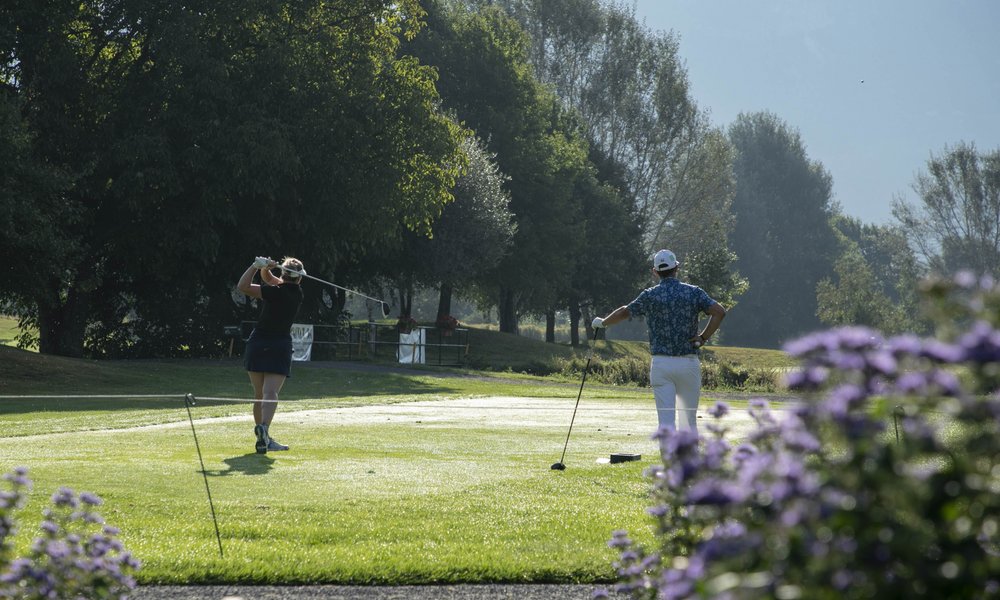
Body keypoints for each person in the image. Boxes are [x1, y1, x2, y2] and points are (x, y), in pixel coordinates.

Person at [591, 249, 726, 433]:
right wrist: (702, 338)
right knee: (688, 422)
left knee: (666, 424)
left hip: (661, 364)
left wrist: (603, 323)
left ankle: (668, 462)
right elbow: (719, 312)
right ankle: (688, 462)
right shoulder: (694, 293)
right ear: (676, 268)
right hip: (688, 362)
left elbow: (624, 311)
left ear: (655, 272)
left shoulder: (650, 295)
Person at [237, 256, 305, 454]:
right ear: (299, 278)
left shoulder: (274, 291)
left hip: (257, 343)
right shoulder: (296, 293)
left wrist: (254, 266)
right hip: (279, 345)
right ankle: (264, 430)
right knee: (270, 393)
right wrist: (265, 268)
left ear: (283, 274)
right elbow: (270, 279)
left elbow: (243, 286)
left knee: (260, 395)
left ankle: (263, 437)